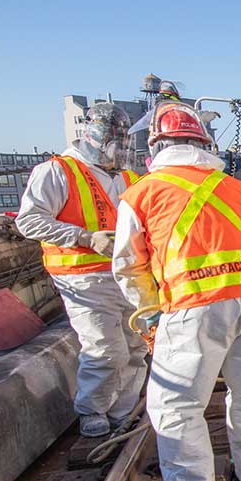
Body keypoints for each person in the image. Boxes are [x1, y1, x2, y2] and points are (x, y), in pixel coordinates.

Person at [112, 102, 241, 481]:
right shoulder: (239, 189)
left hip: (195, 305)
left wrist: (151, 313)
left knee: (176, 406)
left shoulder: (141, 193)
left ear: (156, 145)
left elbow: (128, 266)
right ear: (204, 144)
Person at [15, 103, 148, 438]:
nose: (120, 151)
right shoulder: (57, 171)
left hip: (126, 274)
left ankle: (122, 411)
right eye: (116, 142)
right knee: (105, 348)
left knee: (135, 347)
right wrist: (85, 238)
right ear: (95, 137)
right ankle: (93, 410)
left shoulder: (127, 178)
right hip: (84, 277)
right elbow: (29, 221)